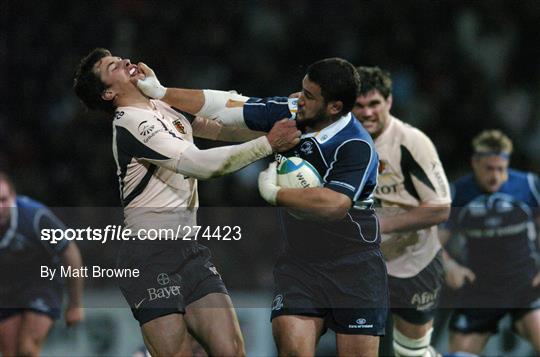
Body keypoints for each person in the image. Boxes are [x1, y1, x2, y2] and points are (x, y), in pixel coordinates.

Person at [135, 57, 388, 356]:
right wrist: (162, 92)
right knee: (292, 350)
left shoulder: (355, 145)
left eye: (309, 96)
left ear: (334, 107)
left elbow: (334, 204)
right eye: (302, 90)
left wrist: (275, 193)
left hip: (355, 268)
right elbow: (225, 106)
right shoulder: (292, 113)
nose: (298, 99)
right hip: (301, 265)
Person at [73, 48, 300, 357]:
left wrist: (285, 116)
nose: (126, 61)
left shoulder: (164, 106)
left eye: (120, 57)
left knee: (231, 350)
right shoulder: (131, 125)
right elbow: (200, 164)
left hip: (189, 250)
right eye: (113, 66)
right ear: (108, 93)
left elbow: (223, 127)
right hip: (148, 256)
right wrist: (268, 143)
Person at [352, 66, 451, 357]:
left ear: (389, 102)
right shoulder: (340, 141)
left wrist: (383, 226)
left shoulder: (411, 142)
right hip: (363, 267)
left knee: (411, 353)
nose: (367, 112)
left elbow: (440, 208)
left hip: (414, 264)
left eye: (374, 104)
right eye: (359, 105)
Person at [440, 130, 540, 356]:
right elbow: (431, 243)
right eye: (489, 169)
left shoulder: (529, 186)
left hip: (524, 286)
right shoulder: (458, 193)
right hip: (480, 289)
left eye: (501, 169)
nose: (496, 176)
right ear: (474, 163)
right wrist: (450, 266)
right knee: (460, 354)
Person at [0, 172, 84, 356]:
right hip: (6, 286)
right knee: (9, 352)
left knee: (28, 349)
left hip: (42, 282)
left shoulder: (35, 217)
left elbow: (71, 253)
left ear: (13, 197)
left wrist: (75, 303)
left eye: (3, 200)